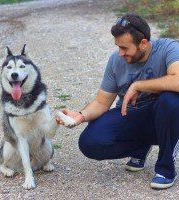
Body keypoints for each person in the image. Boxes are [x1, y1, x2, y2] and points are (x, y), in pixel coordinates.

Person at [56, 14, 179, 189]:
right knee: (90, 143)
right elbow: (101, 102)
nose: (120, 53)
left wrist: (139, 85)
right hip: (130, 115)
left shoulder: (169, 48)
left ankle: (166, 169)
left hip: (164, 118)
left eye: (125, 48)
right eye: (118, 47)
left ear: (143, 43)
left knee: (171, 100)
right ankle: (139, 148)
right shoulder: (116, 60)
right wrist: (80, 116)